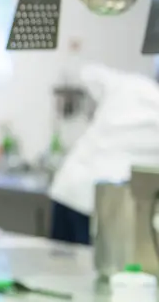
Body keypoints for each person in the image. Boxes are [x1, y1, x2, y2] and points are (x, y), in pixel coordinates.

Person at [49, 63, 159, 244]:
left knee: (60, 265)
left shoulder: (129, 84)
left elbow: (88, 73)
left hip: (69, 186)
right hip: (102, 201)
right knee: (94, 266)